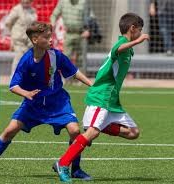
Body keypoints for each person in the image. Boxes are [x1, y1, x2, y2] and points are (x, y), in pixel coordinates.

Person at [0, 21, 92, 180]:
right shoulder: (26, 60)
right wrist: (25, 93)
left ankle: (75, 169)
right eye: (47, 37)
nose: (51, 40)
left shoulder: (56, 55)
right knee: (8, 131)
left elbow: (74, 72)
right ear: (35, 40)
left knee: (74, 131)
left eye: (51, 36)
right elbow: (13, 85)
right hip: (33, 103)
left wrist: (91, 85)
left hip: (57, 101)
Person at [53, 13, 150, 183]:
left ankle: (99, 126)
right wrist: (138, 40)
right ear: (132, 28)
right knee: (91, 133)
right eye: (139, 30)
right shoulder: (121, 45)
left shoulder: (128, 48)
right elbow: (116, 50)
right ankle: (62, 163)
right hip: (102, 97)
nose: (141, 33)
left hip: (111, 101)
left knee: (133, 132)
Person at [50, 0, 90, 72]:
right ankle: (67, 77)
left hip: (81, 34)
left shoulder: (83, 2)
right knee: (66, 56)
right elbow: (54, 14)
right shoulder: (62, 2)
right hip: (68, 33)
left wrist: (88, 30)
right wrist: (52, 24)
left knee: (80, 57)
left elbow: (90, 17)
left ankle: (80, 79)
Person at [5, 0, 37, 77]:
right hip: (19, 39)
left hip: (29, 40)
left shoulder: (32, 10)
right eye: (23, 2)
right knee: (18, 59)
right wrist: (13, 33)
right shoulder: (17, 10)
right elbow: (8, 22)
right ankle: (14, 78)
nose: (25, 4)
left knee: (29, 60)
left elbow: (33, 24)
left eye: (27, 2)